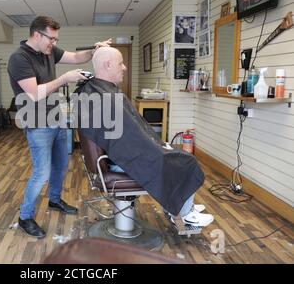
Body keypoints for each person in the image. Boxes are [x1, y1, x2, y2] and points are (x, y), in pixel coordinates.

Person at [74, 47, 214, 228]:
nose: (124, 68)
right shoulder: (104, 97)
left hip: (113, 156)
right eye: (120, 63)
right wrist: (158, 149)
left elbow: (128, 136)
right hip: (116, 161)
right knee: (185, 161)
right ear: (108, 65)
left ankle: (182, 206)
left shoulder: (96, 93)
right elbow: (129, 141)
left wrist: (157, 145)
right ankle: (185, 214)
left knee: (173, 156)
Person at [8, 16, 111, 238]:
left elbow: (74, 57)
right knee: (41, 172)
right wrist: (64, 79)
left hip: (56, 118)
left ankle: (54, 200)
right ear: (37, 34)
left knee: (61, 165)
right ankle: (25, 217)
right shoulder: (19, 59)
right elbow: (34, 94)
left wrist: (95, 51)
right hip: (37, 123)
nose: (53, 43)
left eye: (56, 39)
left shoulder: (47, 51)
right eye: (51, 38)